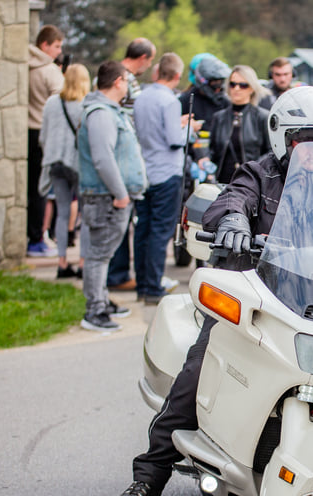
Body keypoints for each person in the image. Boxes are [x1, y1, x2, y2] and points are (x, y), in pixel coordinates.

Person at [112, 86, 313, 496]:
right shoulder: (259, 175)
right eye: (308, 142)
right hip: (255, 300)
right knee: (198, 373)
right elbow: (229, 200)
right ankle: (149, 477)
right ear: (286, 139)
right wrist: (236, 220)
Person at [76, 61, 144, 332]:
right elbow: (103, 158)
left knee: (103, 253)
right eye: (126, 81)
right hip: (107, 196)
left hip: (111, 196)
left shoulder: (109, 111)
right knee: (99, 254)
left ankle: (102, 299)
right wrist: (120, 193)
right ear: (118, 82)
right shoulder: (101, 113)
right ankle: (95, 311)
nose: (127, 86)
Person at [132, 53, 189, 306]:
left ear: (157, 73)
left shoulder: (141, 97)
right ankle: (154, 286)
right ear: (177, 76)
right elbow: (175, 140)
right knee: (159, 231)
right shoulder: (171, 101)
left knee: (142, 229)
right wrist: (189, 129)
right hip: (166, 171)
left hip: (145, 170)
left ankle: (142, 283)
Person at [105, 38, 157, 293]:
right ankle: (118, 274)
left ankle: (116, 273)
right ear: (144, 58)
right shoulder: (127, 79)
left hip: (113, 154)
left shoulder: (111, 72)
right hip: (123, 155)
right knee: (121, 219)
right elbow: (138, 117)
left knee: (118, 220)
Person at [39, 63, 90, 278]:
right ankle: (82, 263)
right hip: (77, 164)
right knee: (86, 215)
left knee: (61, 213)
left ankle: (61, 263)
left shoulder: (51, 103)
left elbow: (43, 136)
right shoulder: (86, 104)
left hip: (55, 163)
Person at [27, 25, 64, 258]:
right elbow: (62, 100)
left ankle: (33, 236)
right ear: (45, 45)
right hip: (43, 132)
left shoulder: (23, 67)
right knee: (41, 189)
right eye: (57, 46)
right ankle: (37, 238)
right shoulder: (50, 71)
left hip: (24, 131)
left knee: (29, 188)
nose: (59, 51)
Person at [199, 65, 270, 184]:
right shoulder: (219, 117)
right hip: (222, 183)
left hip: (251, 183)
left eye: (243, 85)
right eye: (232, 84)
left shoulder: (262, 117)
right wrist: (204, 157)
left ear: (252, 88)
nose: (236, 88)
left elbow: (271, 152)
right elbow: (212, 149)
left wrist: (254, 169)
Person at [179, 55, 231, 130]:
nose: (218, 87)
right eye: (214, 82)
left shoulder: (225, 103)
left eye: (220, 82)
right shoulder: (186, 100)